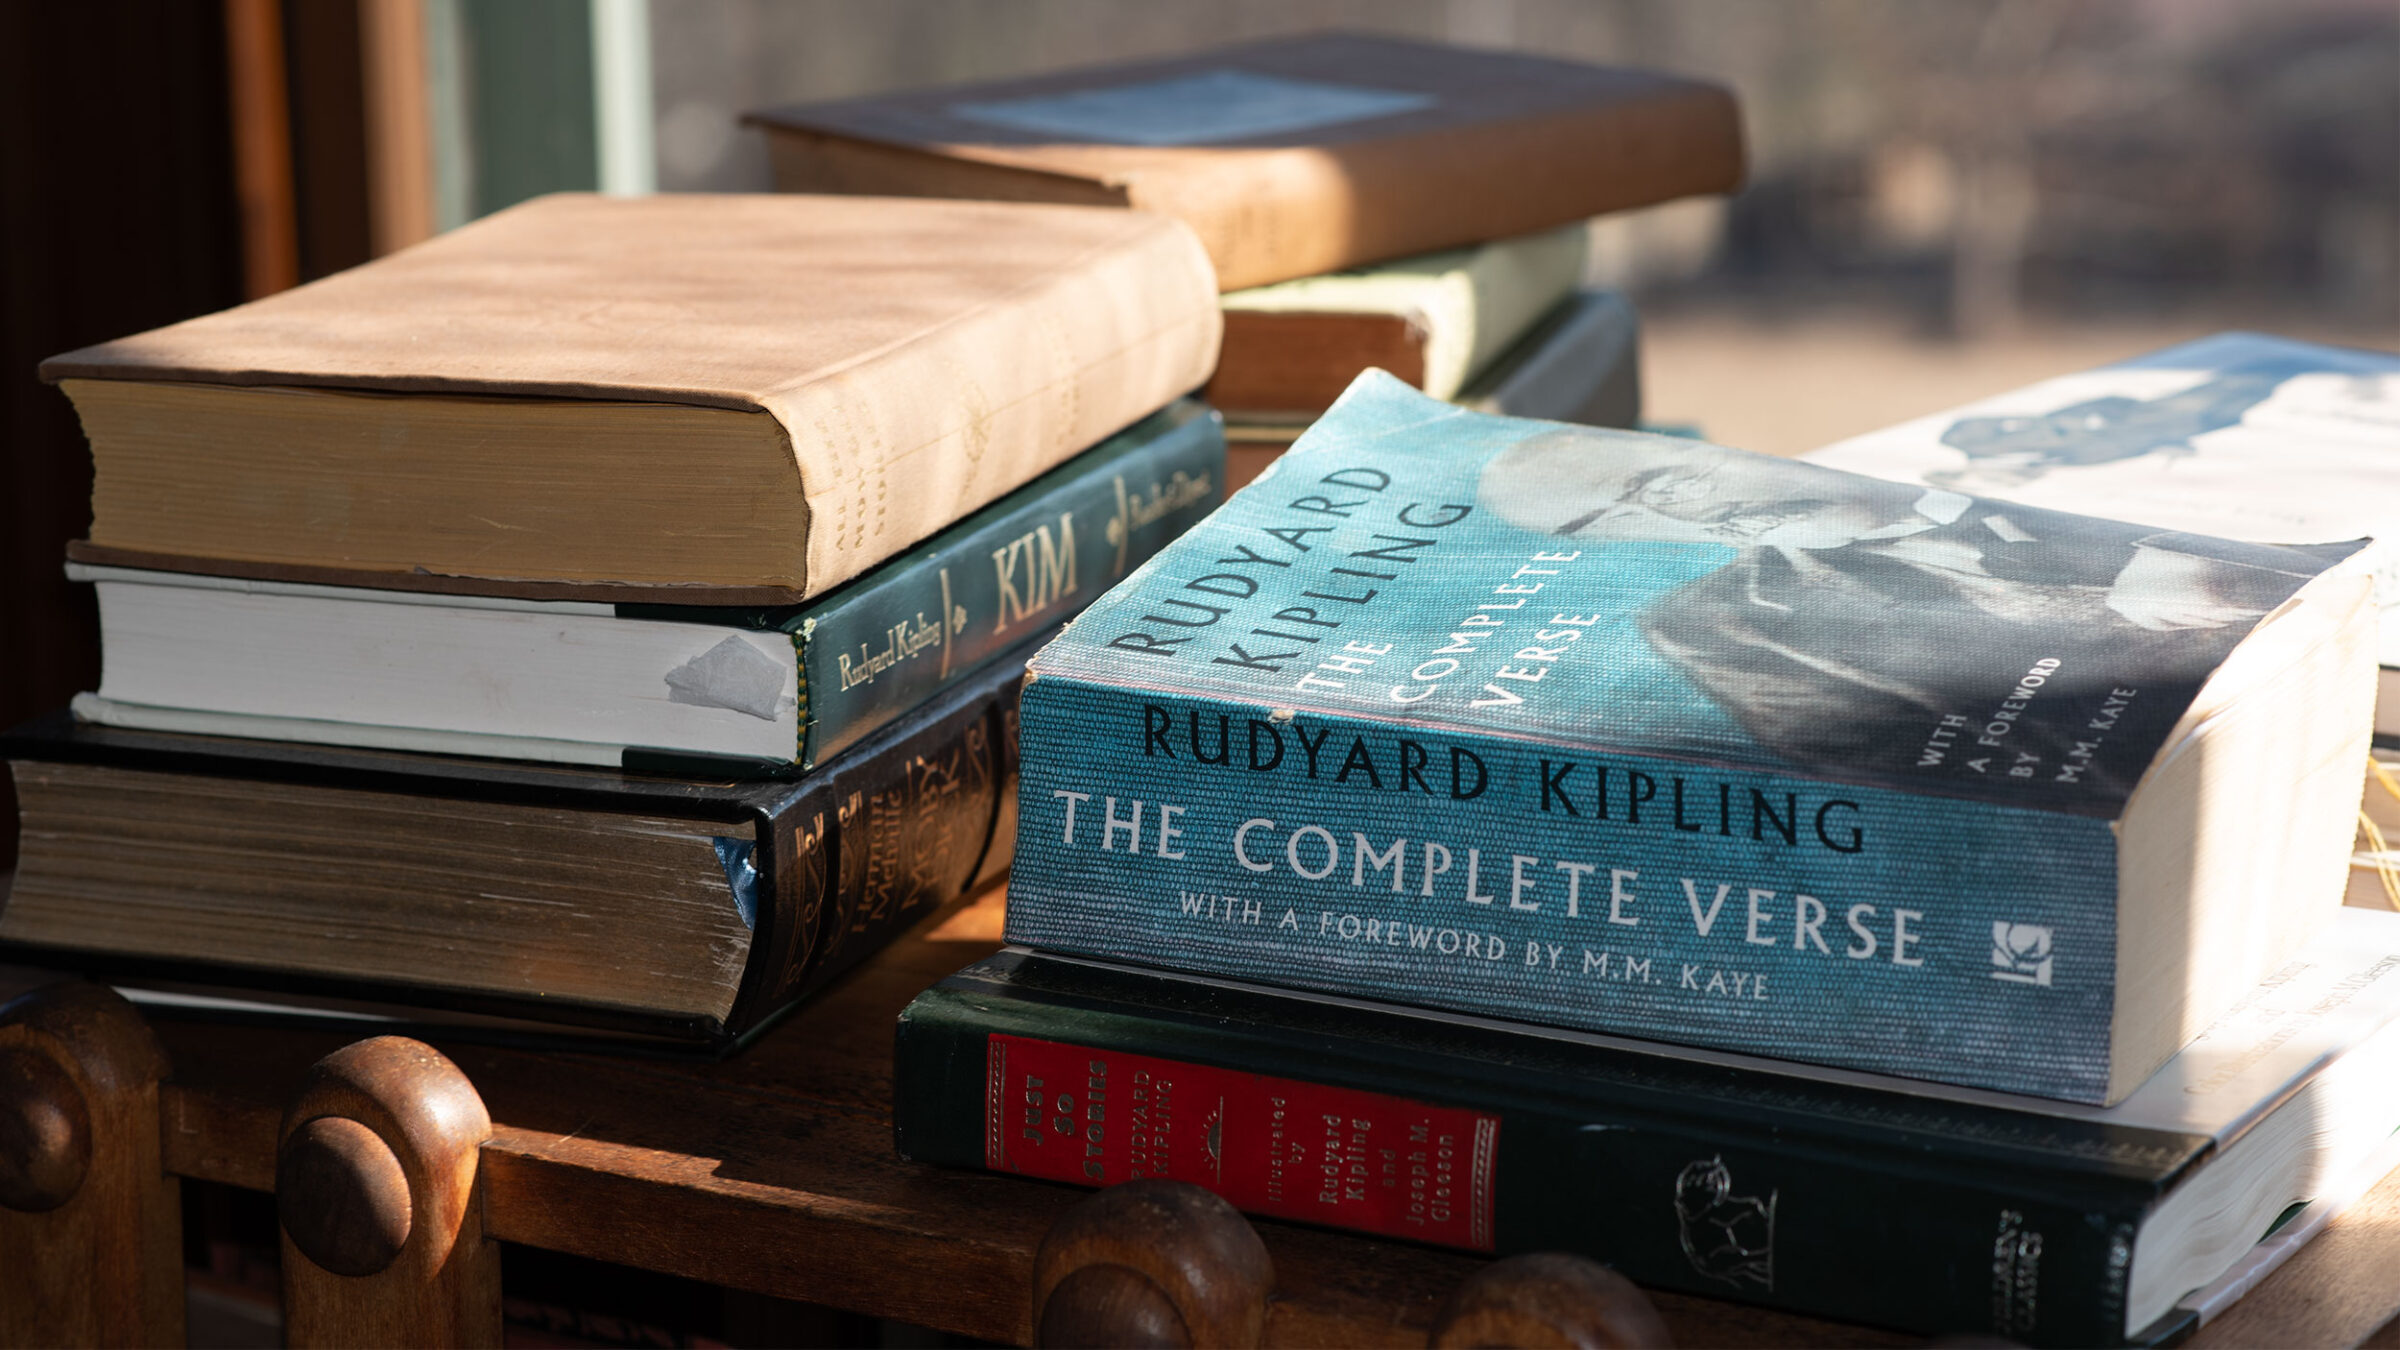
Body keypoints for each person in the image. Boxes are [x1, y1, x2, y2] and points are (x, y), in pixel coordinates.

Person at [1476, 428, 2347, 796]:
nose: (1688, 521)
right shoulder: (1732, 628)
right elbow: (1935, 794)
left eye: (1660, 485)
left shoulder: (2019, 461)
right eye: (1627, 524)